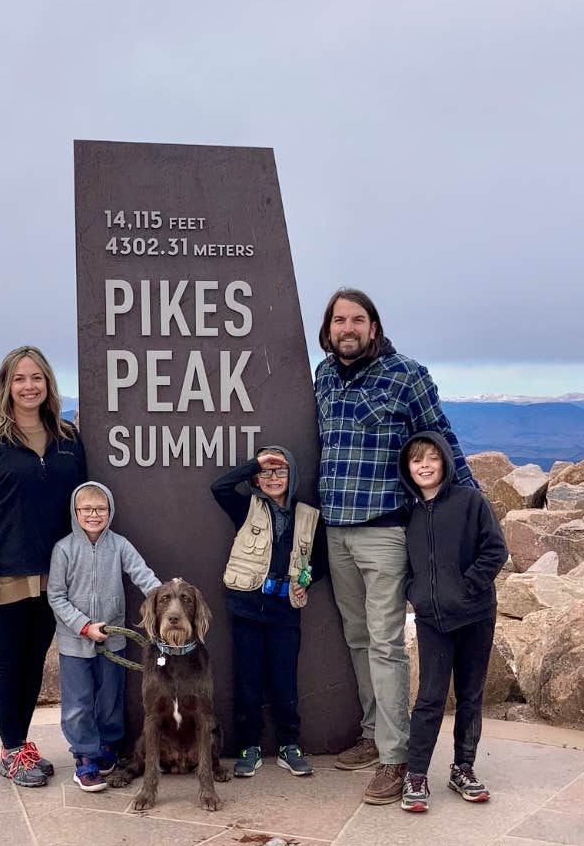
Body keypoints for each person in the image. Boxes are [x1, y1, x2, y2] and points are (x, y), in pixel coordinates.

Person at [315, 288, 477, 804]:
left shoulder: (407, 374)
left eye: (357, 319)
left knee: (386, 642)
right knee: (358, 638)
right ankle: (373, 733)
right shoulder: (322, 377)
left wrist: (472, 512)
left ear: (374, 326)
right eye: (340, 320)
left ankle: (395, 756)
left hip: (385, 529)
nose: (348, 328)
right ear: (329, 328)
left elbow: (441, 439)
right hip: (335, 529)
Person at [0, 345, 87, 786]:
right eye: (20, 378)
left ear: (48, 384)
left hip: (54, 573)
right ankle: (12, 750)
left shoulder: (68, 439)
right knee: (9, 660)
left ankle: (22, 744)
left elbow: (82, 507)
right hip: (7, 574)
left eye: (36, 378)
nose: (29, 386)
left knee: (34, 660)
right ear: (7, 386)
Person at [398, 433, 508, 812]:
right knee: (429, 697)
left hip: (476, 614)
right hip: (432, 619)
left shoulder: (470, 501)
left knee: (470, 695)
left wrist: (467, 587)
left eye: (431, 458)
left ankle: (463, 767)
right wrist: (416, 593)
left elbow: (495, 548)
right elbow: (406, 565)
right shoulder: (406, 512)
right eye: (416, 461)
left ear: (444, 461)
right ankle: (416, 774)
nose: (425, 465)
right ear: (408, 469)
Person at [211, 445, 327, 778]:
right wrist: (254, 464)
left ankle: (290, 744)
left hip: (285, 609)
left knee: (284, 680)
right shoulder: (245, 507)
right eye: (266, 472)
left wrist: (309, 579)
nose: (273, 477)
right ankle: (250, 745)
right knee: (248, 680)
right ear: (256, 479)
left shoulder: (308, 515)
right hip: (247, 606)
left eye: (280, 470)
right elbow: (218, 487)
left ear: (293, 475)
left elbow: (320, 560)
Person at [47, 481, 160, 791]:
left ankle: (107, 747)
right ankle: (84, 758)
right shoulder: (64, 549)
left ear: (110, 511)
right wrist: (84, 626)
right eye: (87, 509)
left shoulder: (120, 545)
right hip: (74, 642)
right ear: (76, 512)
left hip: (114, 640)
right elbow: (56, 596)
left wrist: (165, 600)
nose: (94, 515)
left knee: (110, 698)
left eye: (101, 509)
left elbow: (143, 574)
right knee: (78, 703)